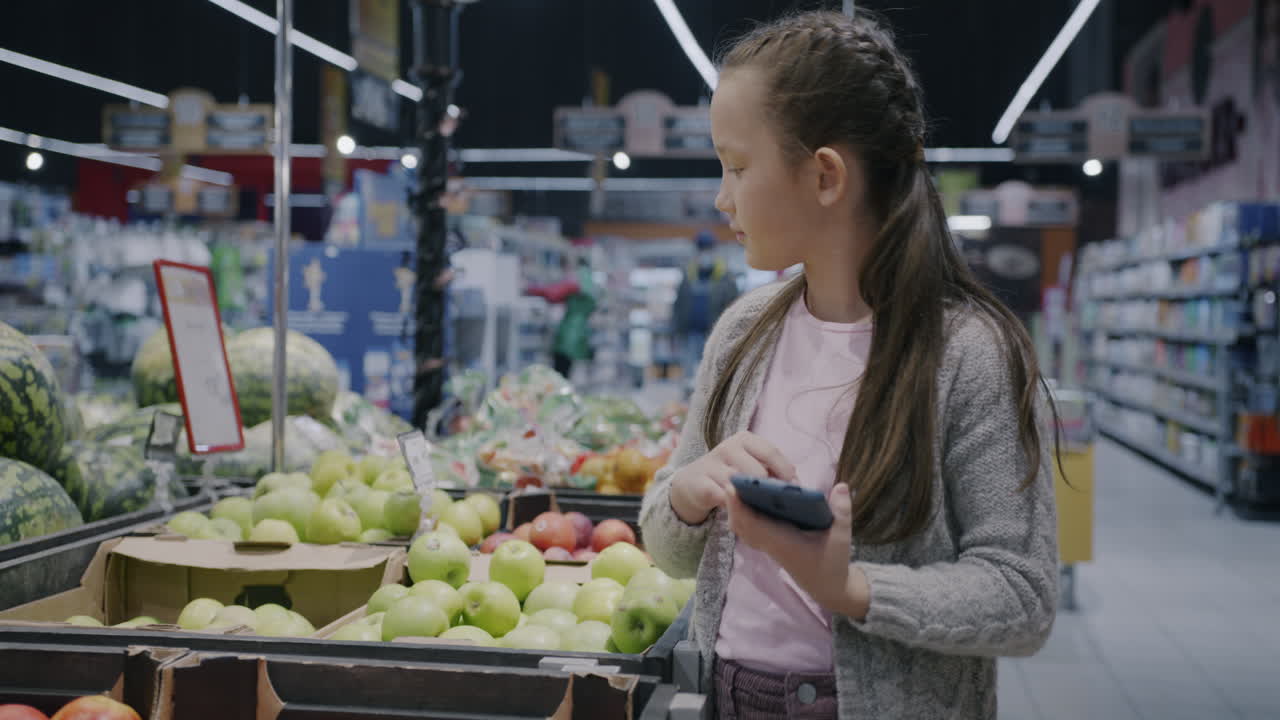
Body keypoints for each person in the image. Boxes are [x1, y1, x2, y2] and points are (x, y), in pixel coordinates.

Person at [638, 11, 1059, 720]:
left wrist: (852, 589)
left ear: (826, 175)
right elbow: (671, 550)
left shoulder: (968, 352)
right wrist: (686, 491)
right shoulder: (744, 333)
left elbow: (1022, 593)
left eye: (738, 167)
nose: (722, 196)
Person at [673, 231, 740, 382]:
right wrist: (677, 330)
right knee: (689, 377)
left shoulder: (726, 277)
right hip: (690, 335)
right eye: (701, 249)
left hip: (715, 335)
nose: (705, 254)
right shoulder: (688, 274)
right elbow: (678, 304)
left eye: (708, 249)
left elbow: (735, 306)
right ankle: (688, 402)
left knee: (713, 375)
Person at [526, 255, 598, 380]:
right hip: (580, 332)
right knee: (567, 373)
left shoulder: (576, 281)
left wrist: (529, 289)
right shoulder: (590, 283)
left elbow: (553, 294)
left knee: (559, 375)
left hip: (569, 333)